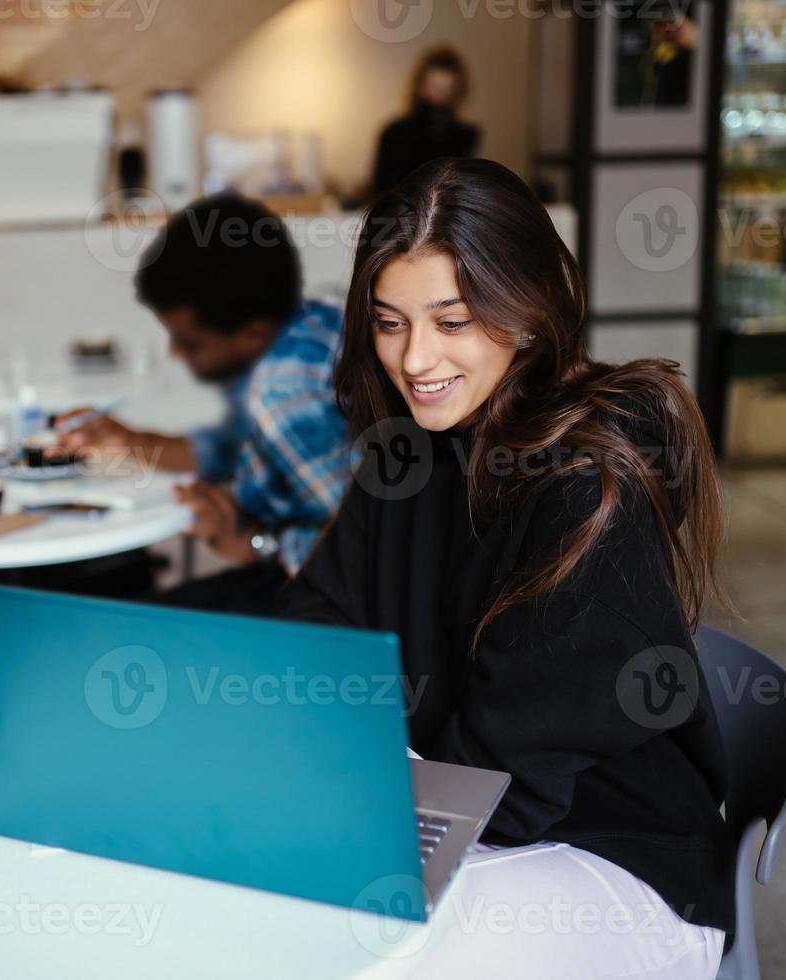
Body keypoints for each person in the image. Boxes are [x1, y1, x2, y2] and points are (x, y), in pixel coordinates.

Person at [281, 158, 731, 978]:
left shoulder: (587, 485)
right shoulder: (409, 450)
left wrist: (375, 777)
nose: (415, 359)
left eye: (452, 322)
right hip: (458, 807)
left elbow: (510, 787)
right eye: (390, 322)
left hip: (614, 853)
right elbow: (320, 624)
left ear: (526, 310)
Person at [57, 194, 349, 615]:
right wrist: (130, 442)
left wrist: (248, 541)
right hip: (315, 578)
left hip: (333, 607)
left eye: (191, 342)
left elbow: (364, 554)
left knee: (123, 624)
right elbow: (230, 447)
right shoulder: (314, 322)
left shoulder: (280, 394)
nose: (175, 353)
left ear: (250, 331)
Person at [370, 46, 481, 199]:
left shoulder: (465, 136)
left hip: (446, 219)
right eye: (434, 87)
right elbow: (380, 192)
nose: (438, 97)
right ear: (420, 85)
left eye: (446, 90)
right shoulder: (394, 133)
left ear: (456, 92)